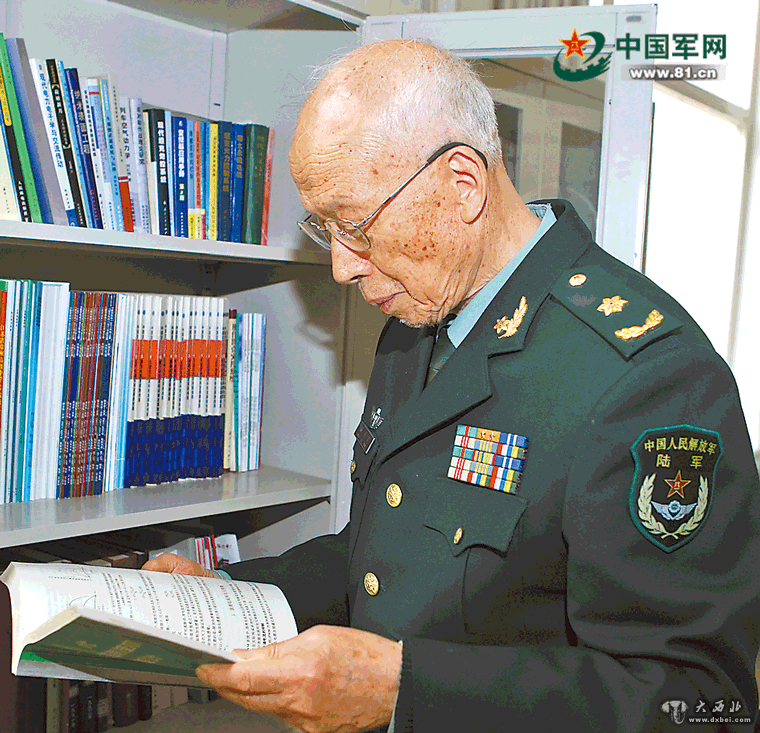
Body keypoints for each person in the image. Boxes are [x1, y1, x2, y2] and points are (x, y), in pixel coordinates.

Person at [144, 40, 760, 732]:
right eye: (324, 229)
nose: (342, 267)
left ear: (462, 184)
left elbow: (696, 699)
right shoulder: (418, 318)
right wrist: (224, 596)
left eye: (355, 226)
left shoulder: (649, 377)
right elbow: (383, 556)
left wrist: (405, 693)